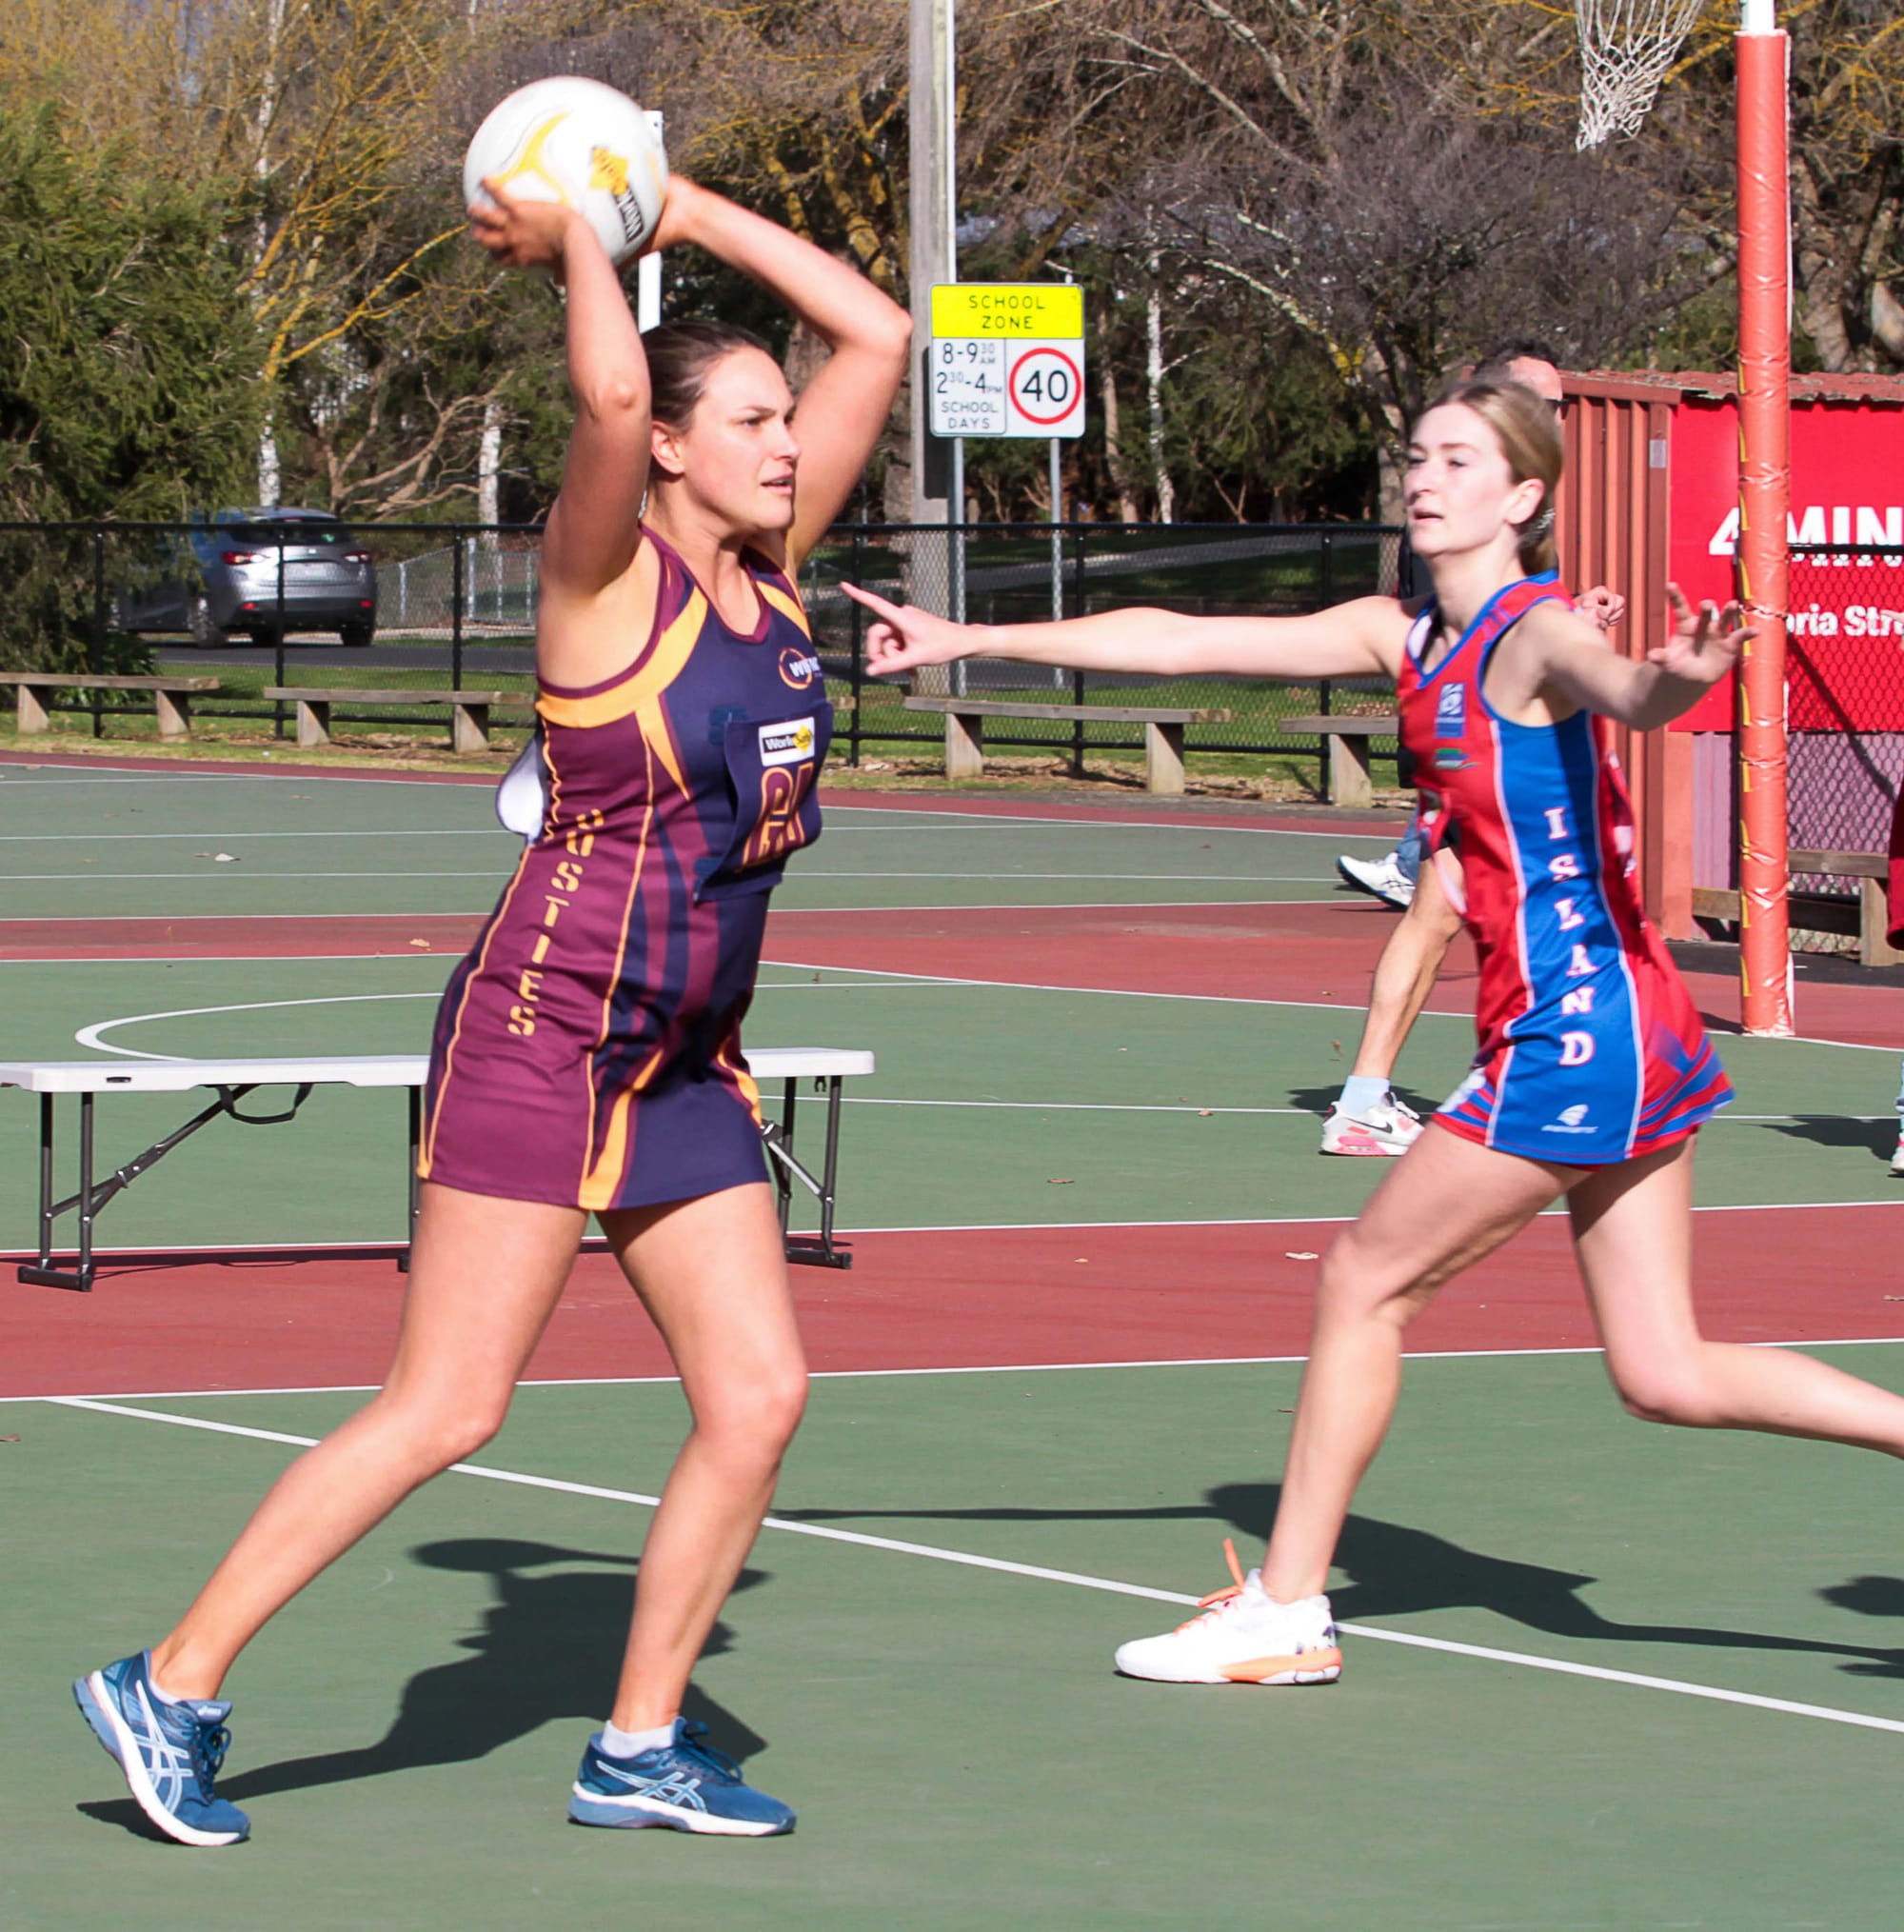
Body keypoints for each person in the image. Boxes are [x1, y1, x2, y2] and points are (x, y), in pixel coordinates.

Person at [70, 169, 911, 1845]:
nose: (786, 440)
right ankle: (174, 1677)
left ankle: (640, 1742)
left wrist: (682, 199)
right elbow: (606, 387)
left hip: (678, 1061)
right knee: (448, 1403)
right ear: (669, 448)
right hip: (544, 1032)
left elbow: (879, 325)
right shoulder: (605, 585)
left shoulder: (781, 578)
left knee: (757, 1398)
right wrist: (590, 233)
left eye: (786, 418)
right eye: (750, 418)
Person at [845, 375, 1904, 1689]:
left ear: (1522, 497)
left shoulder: (1534, 631)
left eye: (1458, 459)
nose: (1423, 476)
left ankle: (1289, 1605)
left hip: (1581, 1031)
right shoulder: (1401, 634)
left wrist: (1669, 677)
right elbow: (1183, 640)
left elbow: (1615, 684)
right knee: (1666, 1372)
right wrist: (959, 638)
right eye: (1416, 455)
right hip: (1622, 1025)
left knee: (1362, 1280)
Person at [1323, 344, 1624, 1158]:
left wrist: (1577, 632)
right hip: (1471, 736)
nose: (1551, 415)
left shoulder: (1521, 506)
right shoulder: (1463, 493)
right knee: (1441, 915)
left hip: (1503, 732)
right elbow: (1468, 621)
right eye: (1536, 397)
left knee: (1443, 915)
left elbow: (1531, 616)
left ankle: (1372, 1093)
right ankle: (1370, 1095)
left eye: (1558, 403)